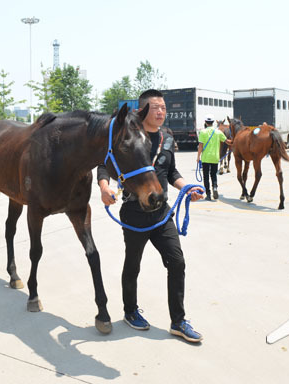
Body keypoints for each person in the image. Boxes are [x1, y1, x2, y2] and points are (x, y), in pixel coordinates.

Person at [97, 89, 205, 343]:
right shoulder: (131, 135)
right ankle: (130, 311)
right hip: (134, 212)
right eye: (155, 107)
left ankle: (178, 321)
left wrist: (187, 187)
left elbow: (171, 172)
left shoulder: (167, 138)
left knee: (177, 262)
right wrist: (104, 187)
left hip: (161, 214)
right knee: (133, 264)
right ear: (144, 110)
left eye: (164, 108)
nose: (161, 112)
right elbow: (104, 164)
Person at [196, 114, 232, 200]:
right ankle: (215, 188)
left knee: (206, 176)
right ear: (213, 123)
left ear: (205, 122)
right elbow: (227, 142)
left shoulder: (202, 132)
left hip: (205, 158)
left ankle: (208, 195)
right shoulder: (218, 132)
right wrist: (236, 142)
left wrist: (198, 157)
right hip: (215, 158)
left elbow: (200, 145)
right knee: (213, 175)